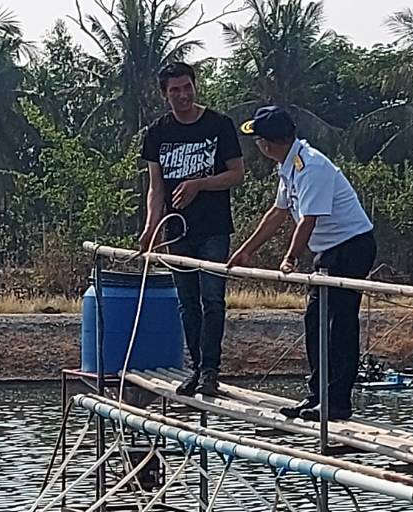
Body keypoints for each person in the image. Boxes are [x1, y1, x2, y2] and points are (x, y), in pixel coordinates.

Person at [228, 106, 377, 422]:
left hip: (351, 247)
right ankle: (318, 395)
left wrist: (290, 258)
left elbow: (308, 220)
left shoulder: (311, 167)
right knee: (316, 323)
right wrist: (246, 251)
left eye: (258, 140)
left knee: (339, 325)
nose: (258, 146)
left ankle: (337, 402)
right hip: (328, 251)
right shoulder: (289, 166)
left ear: (269, 143)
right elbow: (278, 214)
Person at [140, 61, 245, 398]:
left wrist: (201, 184)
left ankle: (211, 370)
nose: (183, 95)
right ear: (165, 95)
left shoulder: (220, 125)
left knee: (212, 299)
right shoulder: (157, 133)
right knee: (187, 302)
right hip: (178, 231)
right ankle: (197, 368)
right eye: (175, 90)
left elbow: (237, 174)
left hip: (213, 228)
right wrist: (151, 227)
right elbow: (156, 186)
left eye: (188, 87)